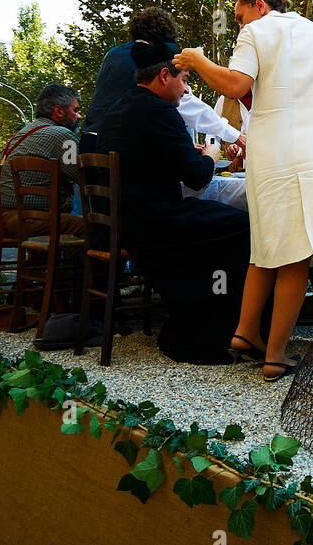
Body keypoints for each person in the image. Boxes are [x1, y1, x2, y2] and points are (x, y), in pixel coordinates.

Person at [173, 0, 313, 381]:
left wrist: (199, 61)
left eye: (239, 16)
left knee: (267, 244)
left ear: (260, 6)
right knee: (297, 254)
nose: (239, 24)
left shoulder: (255, 32)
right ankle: (273, 353)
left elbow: (236, 85)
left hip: (269, 151)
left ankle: (248, 333)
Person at [93, 37, 252, 364]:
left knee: (219, 221)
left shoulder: (119, 109)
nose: (185, 90)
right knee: (243, 227)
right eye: (185, 81)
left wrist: (187, 154)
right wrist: (210, 154)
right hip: (156, 224)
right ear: (165, 76)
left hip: (130, 221)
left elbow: (150, 159)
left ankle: (188, 322)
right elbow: (196, 177)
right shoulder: (162, 111)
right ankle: (203, 335)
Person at [82, 7, 246, 158]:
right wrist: (236, 136)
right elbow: (188, 105)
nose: (186, 88)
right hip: (121, 153)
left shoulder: (113, 54)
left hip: (89, 146)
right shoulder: (155, 59)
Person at [0, 84, 86, 239]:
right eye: (76, 110)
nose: (79, 116)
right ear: (59, 111)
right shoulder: (63, 136)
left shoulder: (22, 134)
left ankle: (40, 263)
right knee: (92, 228)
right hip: (26, 220)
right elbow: (83, 177)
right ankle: (73, 264)